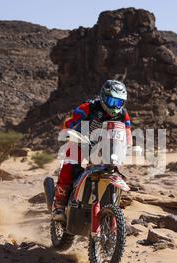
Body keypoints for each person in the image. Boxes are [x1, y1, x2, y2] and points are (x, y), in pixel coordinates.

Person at [52, 80, 132, 222]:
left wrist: (129, 146)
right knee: (69, 166)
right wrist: (69, 130)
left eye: (118, 103)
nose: (114, 106)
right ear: (103, 96)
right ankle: (59, 206)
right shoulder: (89, 107)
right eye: (111, 100)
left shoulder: (123, 114)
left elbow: (127, 132)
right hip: (81, 142)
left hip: (105, 148)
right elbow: (69, 121)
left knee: (113, 171)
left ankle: (109, 208)